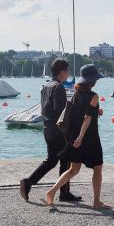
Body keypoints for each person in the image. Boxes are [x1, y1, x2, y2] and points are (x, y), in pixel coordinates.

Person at [46, 64, 111, 209]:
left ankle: (51, 191)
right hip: (89, 138)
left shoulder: (76, 94)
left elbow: (80, 113)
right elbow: (87, 118)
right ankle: (96, 202)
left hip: (74, 137)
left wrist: (96, 111)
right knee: (98, 168)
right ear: (92, 81)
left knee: (73, 170)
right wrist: (81, 137)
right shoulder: (94, 96)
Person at [20, 58, 81, 202]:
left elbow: (46, 109)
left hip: (47, 129)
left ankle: (28, 182)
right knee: (65, 161)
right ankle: (64, 193)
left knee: (51, 161)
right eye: (68, 70)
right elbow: (60, 111)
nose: (69, 73)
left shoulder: (46, 86)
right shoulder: (58, 87)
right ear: (62, 72)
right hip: (58, 131)